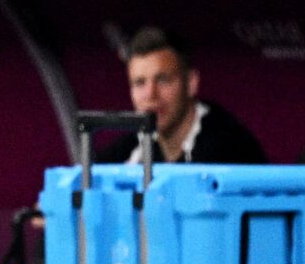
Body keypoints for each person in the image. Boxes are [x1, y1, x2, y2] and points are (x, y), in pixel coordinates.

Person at [98, 26, 266, 164]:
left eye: (163, 80)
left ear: (191, 83)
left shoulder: (230, 147)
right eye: (140, 83)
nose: (150, 94)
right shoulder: (132, 147)